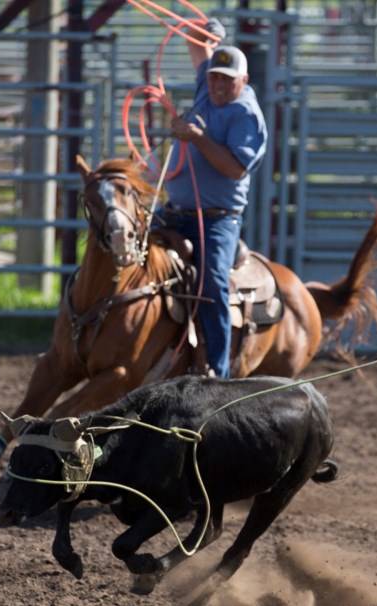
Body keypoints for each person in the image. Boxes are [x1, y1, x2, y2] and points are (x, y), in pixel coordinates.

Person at [157, 24, 268, 378]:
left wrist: (198, 138)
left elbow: (235, 169)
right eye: (215, 78)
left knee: (212, 282)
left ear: (244, 80)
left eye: (227, 80)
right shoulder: (208, 86)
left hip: (218, 219)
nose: (218, 86)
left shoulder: (246, 115)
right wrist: (202, 30)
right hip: (177, 211)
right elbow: (197, 47)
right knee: (124, 244)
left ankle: (218, 370)